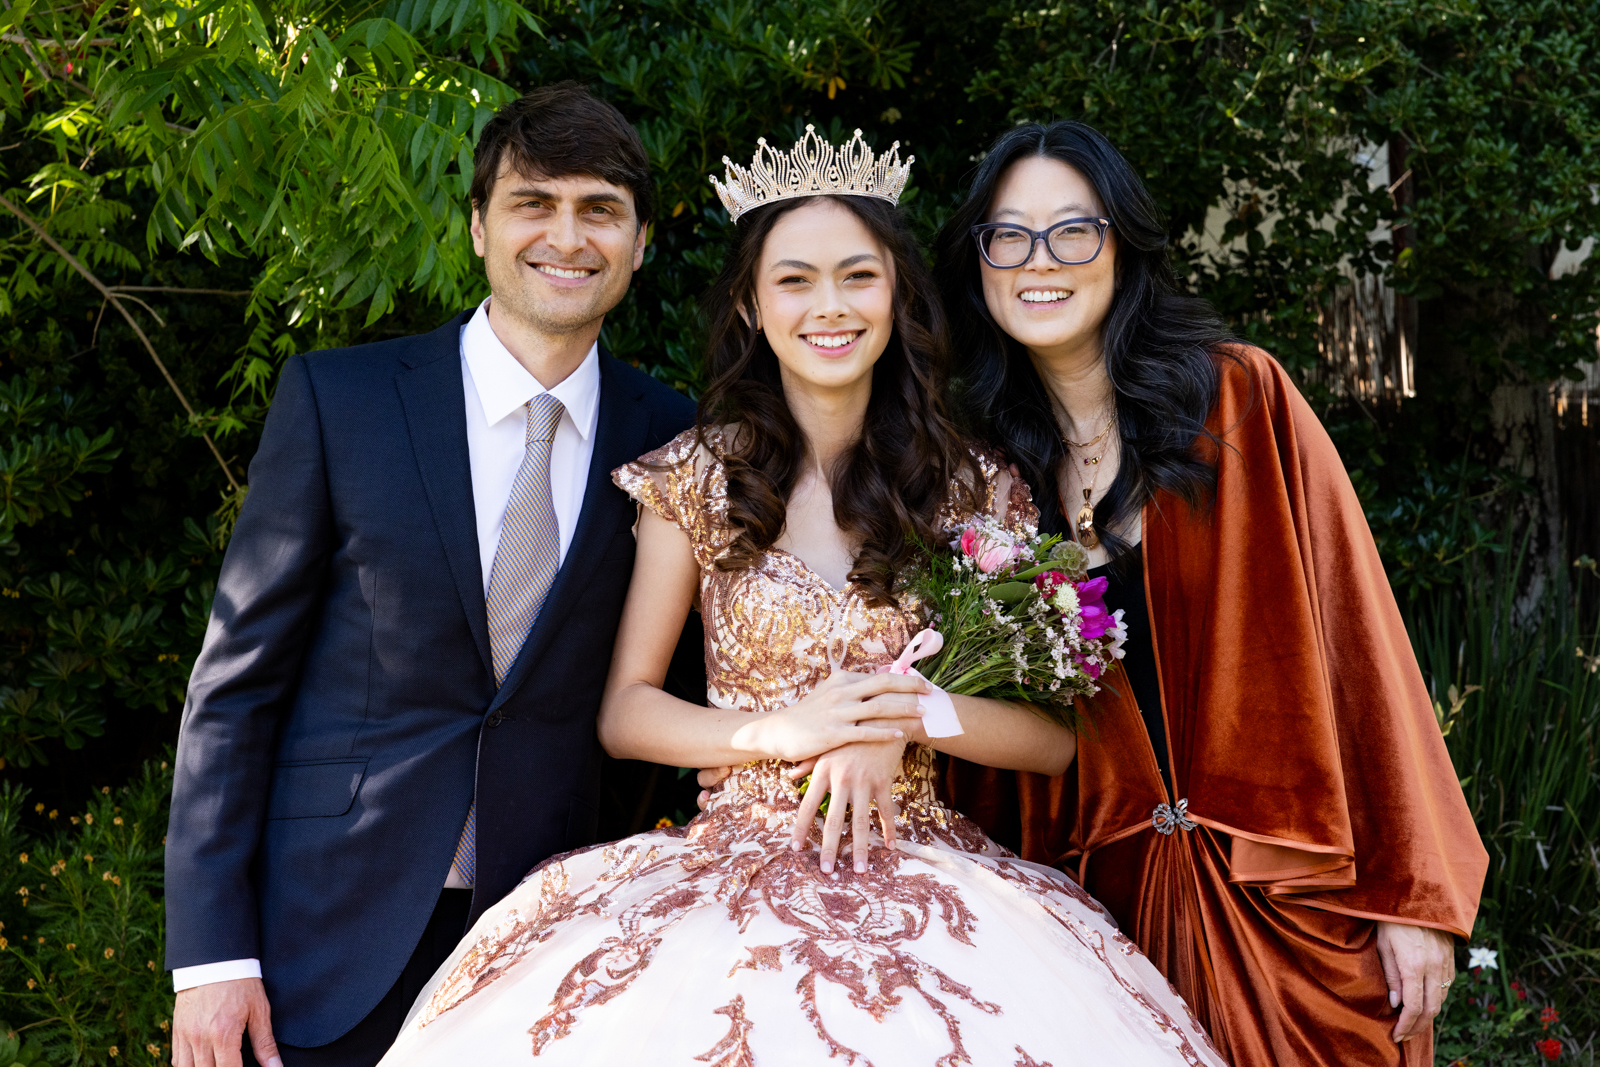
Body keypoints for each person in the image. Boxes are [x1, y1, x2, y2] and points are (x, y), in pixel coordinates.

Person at [376, 128, 1226, 1066]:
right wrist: (781, 730)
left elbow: (1056, 741)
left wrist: (901, 717)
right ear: (750, 301)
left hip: (928, 869)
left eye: (858, 276)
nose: (830, 306)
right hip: (729, 862)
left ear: (896, 292)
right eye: (795, 280)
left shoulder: (978, 488)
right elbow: (626, 712)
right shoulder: (691, 479)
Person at [932, 119, 1489, 1067]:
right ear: (979, 262)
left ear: (1124, 245)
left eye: (1073, 229)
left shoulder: (1238, 402)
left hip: (1290, 909)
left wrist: (1409, 891)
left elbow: (1362, 642)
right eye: (1009, 235)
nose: (1040, 260)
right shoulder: (981, 479)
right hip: (1102, 935)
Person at [164, 83, 696, 1067]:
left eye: (599, 210)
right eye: (533, 204)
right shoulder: (342, 400)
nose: (566, 236)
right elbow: (235, 688)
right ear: (478, 228)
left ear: (642, 240)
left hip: (557, 941)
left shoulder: (675, 438)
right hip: (319, 942)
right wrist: (210, 956)